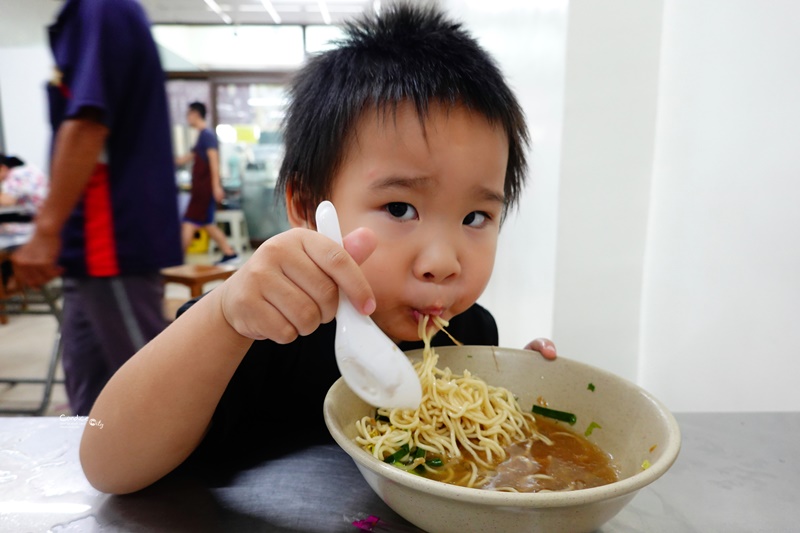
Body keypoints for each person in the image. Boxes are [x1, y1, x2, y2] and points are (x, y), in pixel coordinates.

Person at [79, 3, 557, 495]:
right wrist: (222, 316)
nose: (442, 262)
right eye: (399, 208)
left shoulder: (472, 332)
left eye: (475, 217)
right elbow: (105, 462)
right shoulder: (259, 330)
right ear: (309, 208)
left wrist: (503, 409)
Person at [11, 0, 183, 416]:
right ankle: (96, 466)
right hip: (88, 246)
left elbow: (88, 123)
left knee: (151, 390)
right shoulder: (89, 12)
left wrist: (46, 230)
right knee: (90, 390)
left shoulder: (102, 8)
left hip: (110, 240)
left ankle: (183, 473)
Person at [175, 102, 238, 264]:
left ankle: (177, 259)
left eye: (189, 114)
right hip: (200, 189)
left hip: (204, 189)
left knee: (189, 221)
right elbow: (185, 158)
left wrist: (216, 186)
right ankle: (229, 252)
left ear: (196, 114)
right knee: (206, 223)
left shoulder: (207, 135)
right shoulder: (202, 136)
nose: (187, 118)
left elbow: (214, 161)